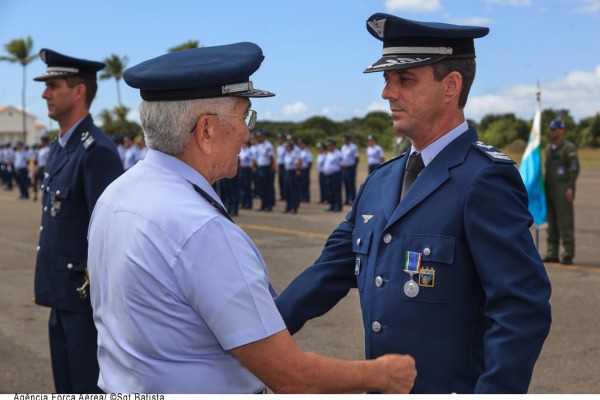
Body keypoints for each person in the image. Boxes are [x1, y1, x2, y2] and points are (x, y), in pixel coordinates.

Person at [87, 42, 416, 394]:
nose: (247, 133)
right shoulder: (200, 229)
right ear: (207, 130)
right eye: (244, 117)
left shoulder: (116, 195)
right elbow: (291, 376)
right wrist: (382, 375)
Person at [276, 13, 552, 394]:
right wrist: (257, 333)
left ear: (450, 86)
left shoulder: (484, 178)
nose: (388, 93)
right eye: (388, 80)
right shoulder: (380, 181)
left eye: (404, 79)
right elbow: (329, 272)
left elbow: (521, 308)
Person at [32, 48, 124, 393]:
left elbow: (109, 235)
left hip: (86, 302)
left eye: (53, 85)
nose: (45, 93)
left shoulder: (95, 151)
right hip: (62, 295)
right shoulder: (61, 148)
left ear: (79, 90)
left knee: (85, 387)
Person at [543, 117, 579, 265]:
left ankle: (568, 254)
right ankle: (552, 253)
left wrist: (570, 187)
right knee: (551, 224)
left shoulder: (568, 148)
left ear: (561, 130)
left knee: (565, 224)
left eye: (554, 129)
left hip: (563, 190)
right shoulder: (548, 148)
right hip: (549, 190)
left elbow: (574, 169)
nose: (551, 132)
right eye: (550, 129)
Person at [253, 130, 276, 211]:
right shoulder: (259, 146)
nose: (259, 137)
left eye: (260, 136)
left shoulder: (268, 145)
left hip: (267, 168)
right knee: (261, 187)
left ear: (264, 136)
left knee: (267, 187)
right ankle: (263, 205)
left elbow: (271, 158)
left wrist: (272, 167)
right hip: (260, 168)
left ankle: (268, 205)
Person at [323, 139, 343, 212]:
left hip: (336, 174)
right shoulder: (329, 153)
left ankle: (338, 206)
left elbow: (342, 165)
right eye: (328, 146)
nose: (329, 147)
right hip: (329, 175)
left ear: (334, 146)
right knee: (330, 191)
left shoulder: (338, 154)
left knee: (336, 191)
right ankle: (332, 205)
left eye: (330, 145)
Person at [340, 134, 359, 205]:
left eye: (345, 139)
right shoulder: (343, 147)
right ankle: (347, 199)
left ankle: (353, 199)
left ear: (348, 140)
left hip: (351, 167)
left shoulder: (353, 147)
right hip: (344, 168)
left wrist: (354, 167)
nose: (344, 141)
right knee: (346, 184)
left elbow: (356, 158)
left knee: (351, 184)